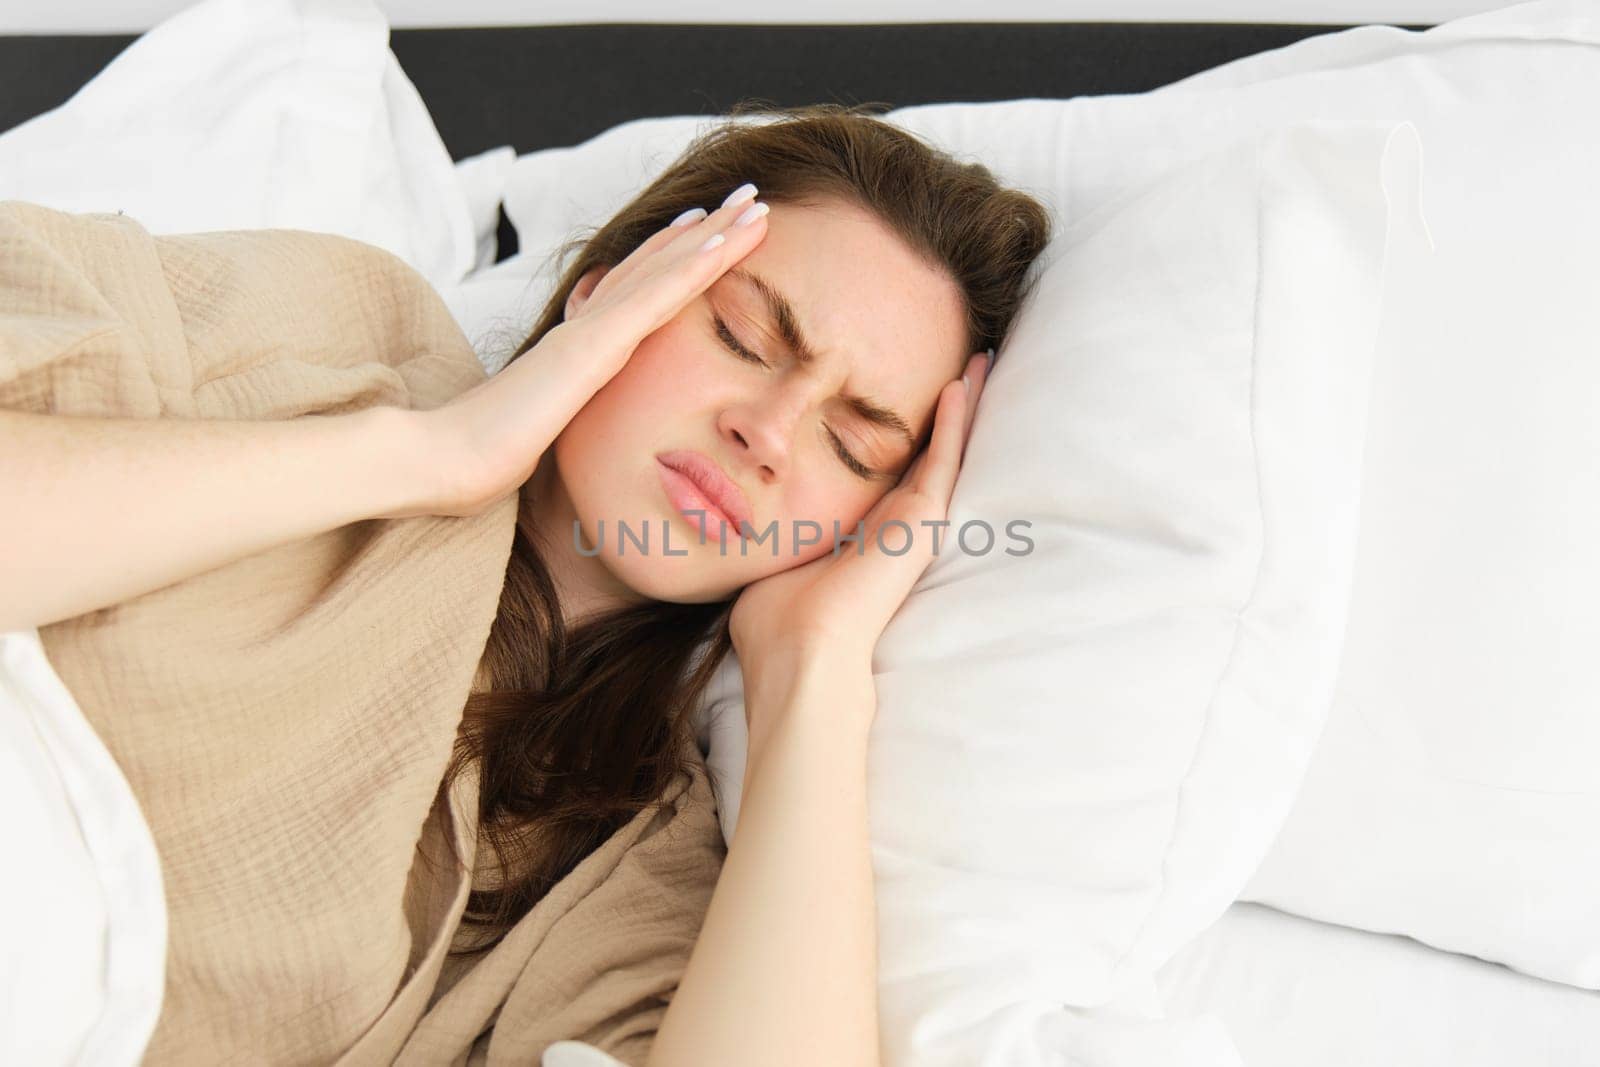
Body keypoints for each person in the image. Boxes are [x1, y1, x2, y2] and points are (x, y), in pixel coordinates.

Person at [0, 101, 1051, 1065]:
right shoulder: (345, 336)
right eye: (741, 333)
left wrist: (811, 675)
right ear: (611, 289)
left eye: (852, 444)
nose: (768, 432)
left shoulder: (629, 844)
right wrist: (434, 455)